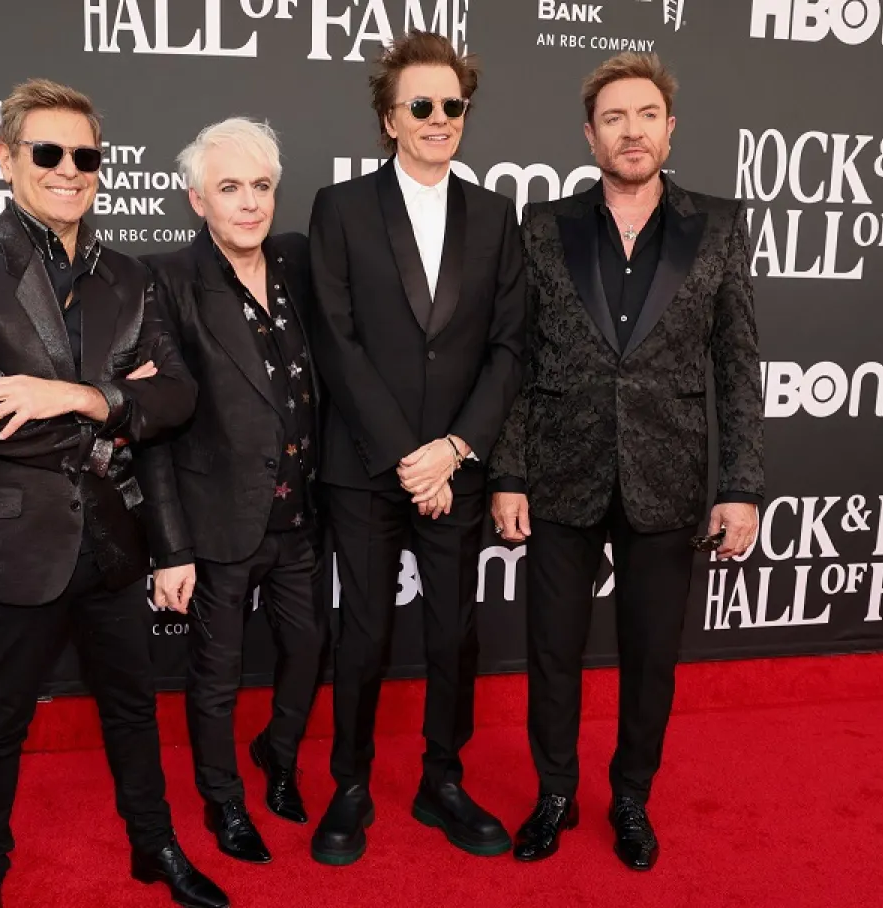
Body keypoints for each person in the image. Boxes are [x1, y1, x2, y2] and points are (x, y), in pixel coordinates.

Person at [0, 78, 227, 908]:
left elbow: (180, 399)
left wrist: (82, 398)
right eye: (47, 152)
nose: (68, 170)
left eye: (85, 155)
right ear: (5, 158)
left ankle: (153, 849)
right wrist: (124, 410)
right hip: (11, 541)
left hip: (114, 539)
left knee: (132, 711)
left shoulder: (131, 276)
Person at [488, 52, 766, 871]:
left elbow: (738, 363)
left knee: (650, 657)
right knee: (551, 651)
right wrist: (508, 472)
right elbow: (517, 358)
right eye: (614, 118)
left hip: (668, 476)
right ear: (589, 135)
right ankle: (555, 794)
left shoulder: (716, 225)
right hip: (560, 474)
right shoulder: (543, 226)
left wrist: (742, 485)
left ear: (669, 128)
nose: (631, 131)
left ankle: (632, 797)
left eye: (646, 115)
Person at [305, 30, 528, 865]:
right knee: (361, 634)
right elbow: (338, 342)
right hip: (367, 469)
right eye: (422, 106)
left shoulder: (497, 215)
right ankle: (350, 784)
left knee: (453, 633)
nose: (440, 119)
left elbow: (510, 347)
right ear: (389, 119)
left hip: (456, 470)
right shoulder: (343, 209)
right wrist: (410, 456)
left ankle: (443, 778)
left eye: (453, 106)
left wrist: (456, 449)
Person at [138, 117, 325, 865]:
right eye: (229, 188)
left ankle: (278, 753)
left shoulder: (300, 263)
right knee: (214, 678)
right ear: (196, 200)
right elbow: (150, 427)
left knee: (310, 651)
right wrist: (170, 548)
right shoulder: (169, 283)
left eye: (261, 186)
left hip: (303, 514)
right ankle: (224, 801)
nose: (249, 203)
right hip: (218, 522)